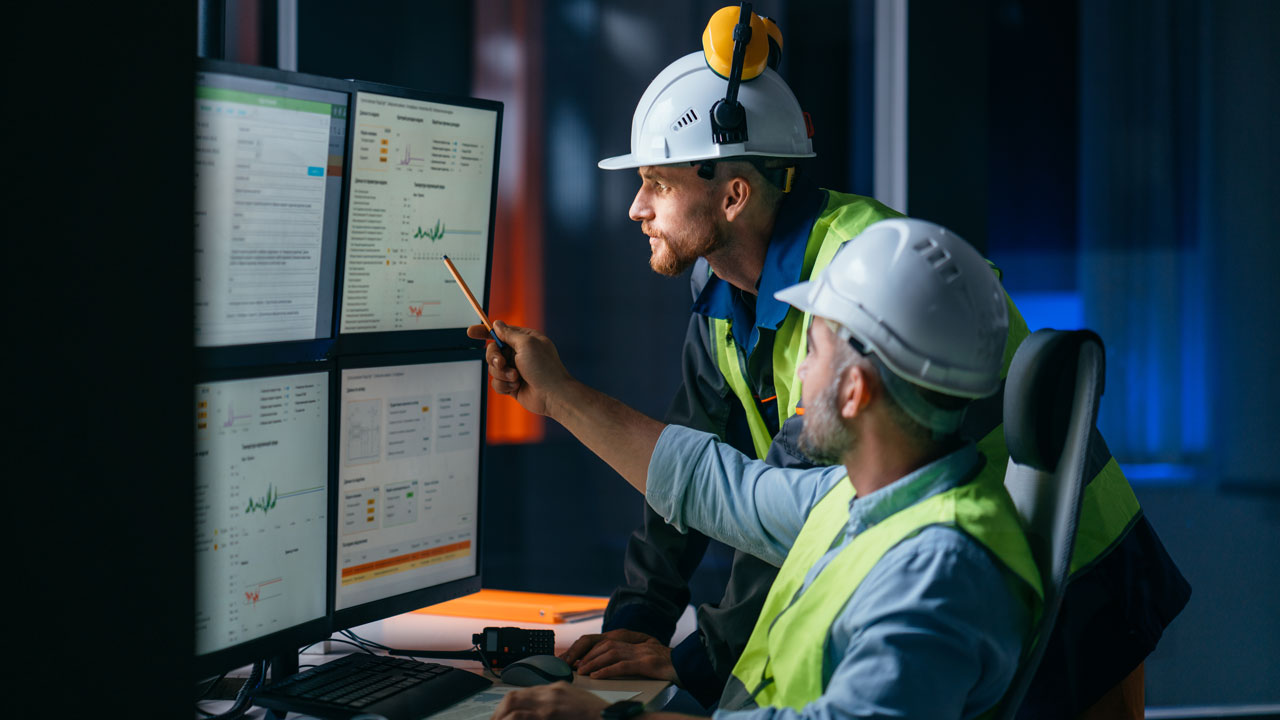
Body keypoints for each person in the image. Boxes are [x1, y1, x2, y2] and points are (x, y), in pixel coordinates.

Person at [566, 8, 1189, 717]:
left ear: (733, 195)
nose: (636, 207)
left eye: (657, 182)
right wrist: (639, 623)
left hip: (1069, 562)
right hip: (951, 557)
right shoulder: (722, 288)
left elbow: (788, 524)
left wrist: (691, 667)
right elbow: (702, 466)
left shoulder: (862, 283)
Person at [482, 219, 1042, 719]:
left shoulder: (938, 573)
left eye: (814, 351)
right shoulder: (863, 497)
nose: (799, 367)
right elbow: (716, 487)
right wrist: (557, 395)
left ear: (854, 391)